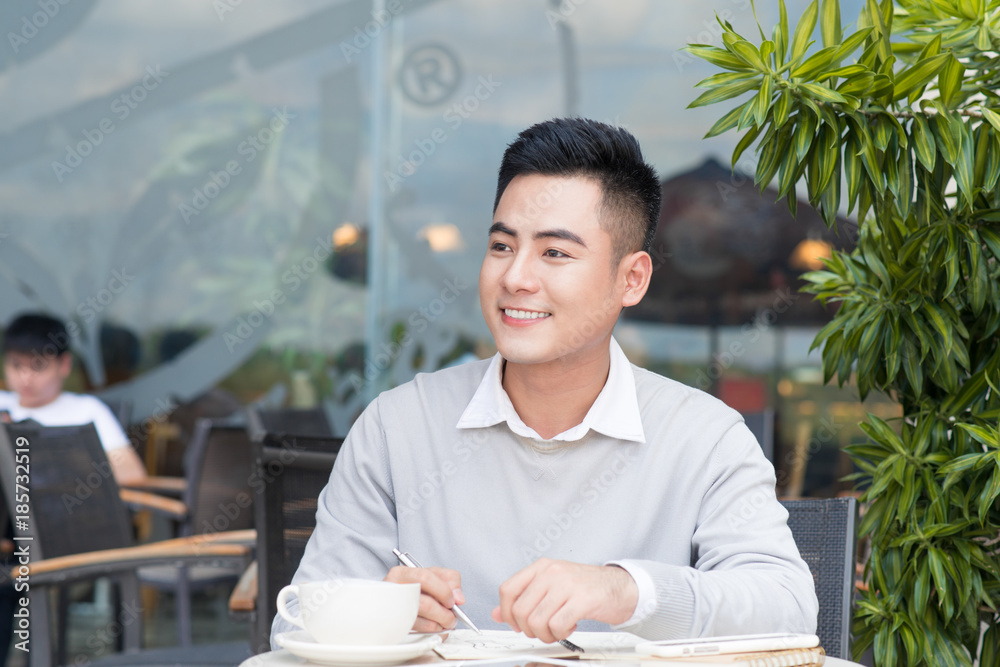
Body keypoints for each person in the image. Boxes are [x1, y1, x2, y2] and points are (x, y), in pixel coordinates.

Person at [273, 118, 818, 645]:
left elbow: (787, 607)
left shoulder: (705, 437)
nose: (515, 277)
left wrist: (624, 590)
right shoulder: (397, 427)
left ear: (631, 279)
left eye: (555, 253)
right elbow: (295, 625)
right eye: (502, 246)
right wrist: (374, 612)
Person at [0, 313, 147, 485]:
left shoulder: (87, 410)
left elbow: (132, 475)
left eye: (38, 366)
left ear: (64, 364)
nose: (25, 378)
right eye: (16, 365)